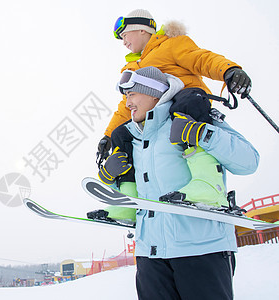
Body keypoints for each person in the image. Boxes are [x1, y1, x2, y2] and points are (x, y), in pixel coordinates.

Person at [98, 66, 259, 299]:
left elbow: (249, 161)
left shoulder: (191, 115)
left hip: (202, 250)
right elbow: (141, 191)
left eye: (132, 94)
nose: (127, 103)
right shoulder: (130, 136)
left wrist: (202, 133)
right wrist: (109, 177)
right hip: (150, 255)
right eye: (125, 96)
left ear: (154, 93)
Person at [97, 8, 252, 155]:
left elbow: (200, 59)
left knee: (183, 103)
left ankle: (198, 157)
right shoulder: (132, 68)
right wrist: (109, 135)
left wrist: (228, 70)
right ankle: (127, 180)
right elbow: (128, 104)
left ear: (141, 29)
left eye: (125, 35)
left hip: (186, 105)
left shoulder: (170, 45)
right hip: (157, 118)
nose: (123, 42)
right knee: (121, 134)